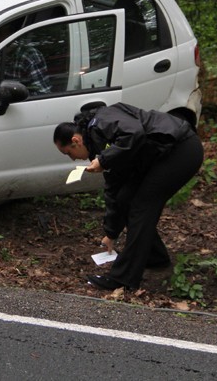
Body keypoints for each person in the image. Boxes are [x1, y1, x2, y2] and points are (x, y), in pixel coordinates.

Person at [53, 103, 204, 290]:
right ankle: (155, 259)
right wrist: (111, 232)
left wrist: (104, 159)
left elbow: (135, 133)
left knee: (142, 207)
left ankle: (123, 279)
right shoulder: (98, 144)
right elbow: (114, 187)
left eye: (69, 153)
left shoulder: (102, 122)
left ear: (76, 140)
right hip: (160, 154)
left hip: (180, 149)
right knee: (126, 198)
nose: (73, 159)